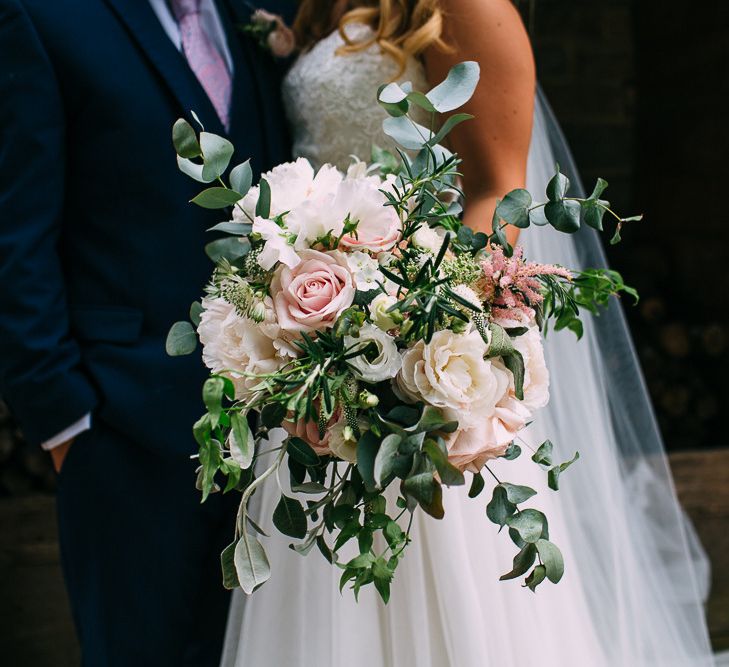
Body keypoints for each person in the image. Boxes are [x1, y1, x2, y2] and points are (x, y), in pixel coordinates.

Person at [221, 1, 717, 665]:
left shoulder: (465, 8)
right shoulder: (321, 8)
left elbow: (496, 185)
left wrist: (422, 319)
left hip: (421, 370)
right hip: (319, 362)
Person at [0, 0, 293, 663]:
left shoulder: (250, 18)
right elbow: (16, 238)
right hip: (122, 437)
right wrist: (66, 425)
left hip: (273, 438)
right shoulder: (42, 18)